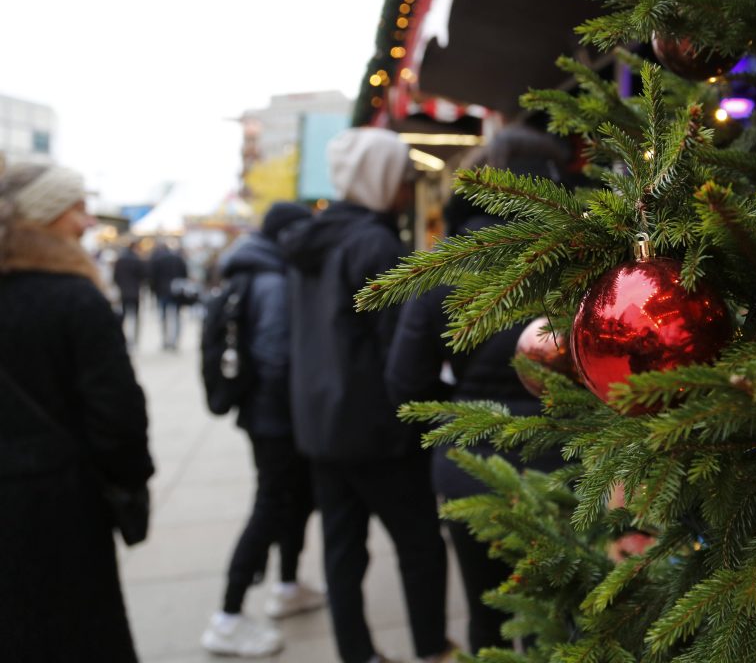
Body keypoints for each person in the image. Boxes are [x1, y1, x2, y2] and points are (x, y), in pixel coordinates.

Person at [385, 126, 569, 653]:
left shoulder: (446, 264)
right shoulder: (582, 259)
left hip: (471, 468)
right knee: (563, 619)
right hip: (568, 464)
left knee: (488, 617)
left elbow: (405, 384)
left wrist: (461, 412)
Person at [279, 128, 453, 663]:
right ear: (380, 180)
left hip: (321, 426)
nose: (406, 189)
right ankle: (432, 649)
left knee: (342, 551)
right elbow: (400, 350)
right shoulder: (374, 245)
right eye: (401, 178)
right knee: (420, 544)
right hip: (378, 430)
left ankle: (357, 654)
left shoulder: (313, 243)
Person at [0, 160, 155, 661]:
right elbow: (118, 415)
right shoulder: (73, 297)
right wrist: (129, 479)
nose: (89, 222)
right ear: (46, 215)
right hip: (61, 505)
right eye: (78, 209)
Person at [201, 201, 324, 657]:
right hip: (276, 418)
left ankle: (288, 587)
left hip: (266, 414)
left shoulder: (255, 270)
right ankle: (227, 617)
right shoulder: (272, 280)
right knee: (272, 505)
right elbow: (276, 356)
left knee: (295, 499)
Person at [148, 238, 188, 350]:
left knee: (163, 316)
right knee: (176, 316)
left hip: (162, 291)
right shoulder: (178, 258)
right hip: (177, 291)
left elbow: (152, 277)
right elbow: (185, 274)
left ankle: (165, 340)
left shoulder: (157, 260)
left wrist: (153, 291)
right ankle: (175, 340)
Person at [112, 239, 146, 345]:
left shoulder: (120, 260)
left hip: (123, 291)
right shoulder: (137, 260)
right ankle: (134, 338)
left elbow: (115, 277)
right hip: (135, 291)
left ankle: (124, 337)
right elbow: (143, 276)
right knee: (135, 317)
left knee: (124, 316)